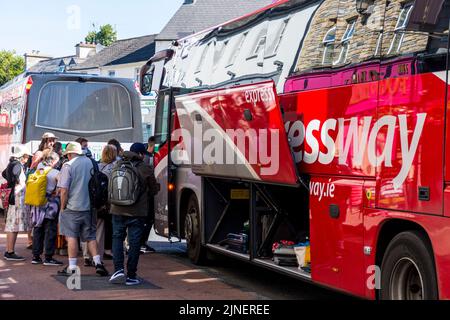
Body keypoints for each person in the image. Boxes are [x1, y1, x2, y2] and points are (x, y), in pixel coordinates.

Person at [56, 142, 108, 276]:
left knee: (72, 236)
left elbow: (63, 190)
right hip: (90, 207)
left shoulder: (68, 166)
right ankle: (98, 263)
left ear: (71, 153)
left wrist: (62, 207)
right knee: (90, 237)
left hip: (72, 207)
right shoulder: (92, 163)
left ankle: (72, 267)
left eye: (67, 154)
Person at [109, 143, 158, 285]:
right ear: (141, 154)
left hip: (117, 209)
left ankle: (118, 269)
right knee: (135, 243)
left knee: (117, 238)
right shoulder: (145, 168)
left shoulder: (117, 164)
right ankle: (131, 276)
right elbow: (153, 190)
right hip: (137, 212)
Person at [82, 145, 117, 266]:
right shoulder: (114, 168)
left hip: (91, 201)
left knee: (89, 229)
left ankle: (86, 254)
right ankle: (96, 257)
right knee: (99, 232)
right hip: (103, 203)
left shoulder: (97, 165)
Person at [30, 150, 63, 266]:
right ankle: (48, 257)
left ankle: (36, 256)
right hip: (51, 204)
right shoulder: (55, 172)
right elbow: (60, 189)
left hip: (37, 203)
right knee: (50, 229)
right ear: (53, 161)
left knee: (38, 229)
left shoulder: (39, 167)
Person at [2, 145, 32, 261]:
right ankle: (10, 251)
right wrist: (16, 181)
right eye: (26, 156)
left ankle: (9, 251)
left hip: (13, 197)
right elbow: (14, 174)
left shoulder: (12, 163)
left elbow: (4, 173)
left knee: (12, 225)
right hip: (16, 198)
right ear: (22, 156)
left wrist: (11, 182)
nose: (27, 158)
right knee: (13, 226)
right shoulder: (17, 165)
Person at [140, 136, 156, 254]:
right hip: (146, 194)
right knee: (147, 219)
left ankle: (141, 243)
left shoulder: (144, 157)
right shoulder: (148, 158)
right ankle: (142, 243)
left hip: (143, 194)